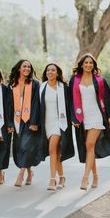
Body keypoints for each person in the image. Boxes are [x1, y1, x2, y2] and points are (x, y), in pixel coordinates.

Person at [69, 53, 110, 190]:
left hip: (97, 116)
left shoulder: (100, 80)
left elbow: (108, 98)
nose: (88, 65)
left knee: (90, 144)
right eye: (85, 63)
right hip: (82, 117)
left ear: (94, 65)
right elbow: (70, 101)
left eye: (91, 63)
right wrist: (73, 118)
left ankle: (85, 178)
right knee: (88, 148)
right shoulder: (74, 80)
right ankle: (96, 176)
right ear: (81, 65)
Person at [40, 63, 75, 191]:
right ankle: (62, 177)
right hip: (46, 123)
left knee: (52, 149)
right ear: (46, 72)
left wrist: (74, 119)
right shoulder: (42, 87)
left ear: (57, 72)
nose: (50, 72)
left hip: (59, 122)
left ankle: (52, 179)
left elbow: (71, 104)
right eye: (48, 70)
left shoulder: (63, 87)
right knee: (56, 152)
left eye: (53, 70)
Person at [7, 59, 41, 187]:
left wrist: (34, 121)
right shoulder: (11, 85)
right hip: (16, 120)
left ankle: (20, 175)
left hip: (29, 120)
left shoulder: (35, 84)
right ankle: (29, 172)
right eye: (24, 66)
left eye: (29, 67)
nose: (27, 68)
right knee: (20, 147)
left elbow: (36, 104)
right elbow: (8, 106)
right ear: (19, 68)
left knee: (27, 146)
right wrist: (9, 124)